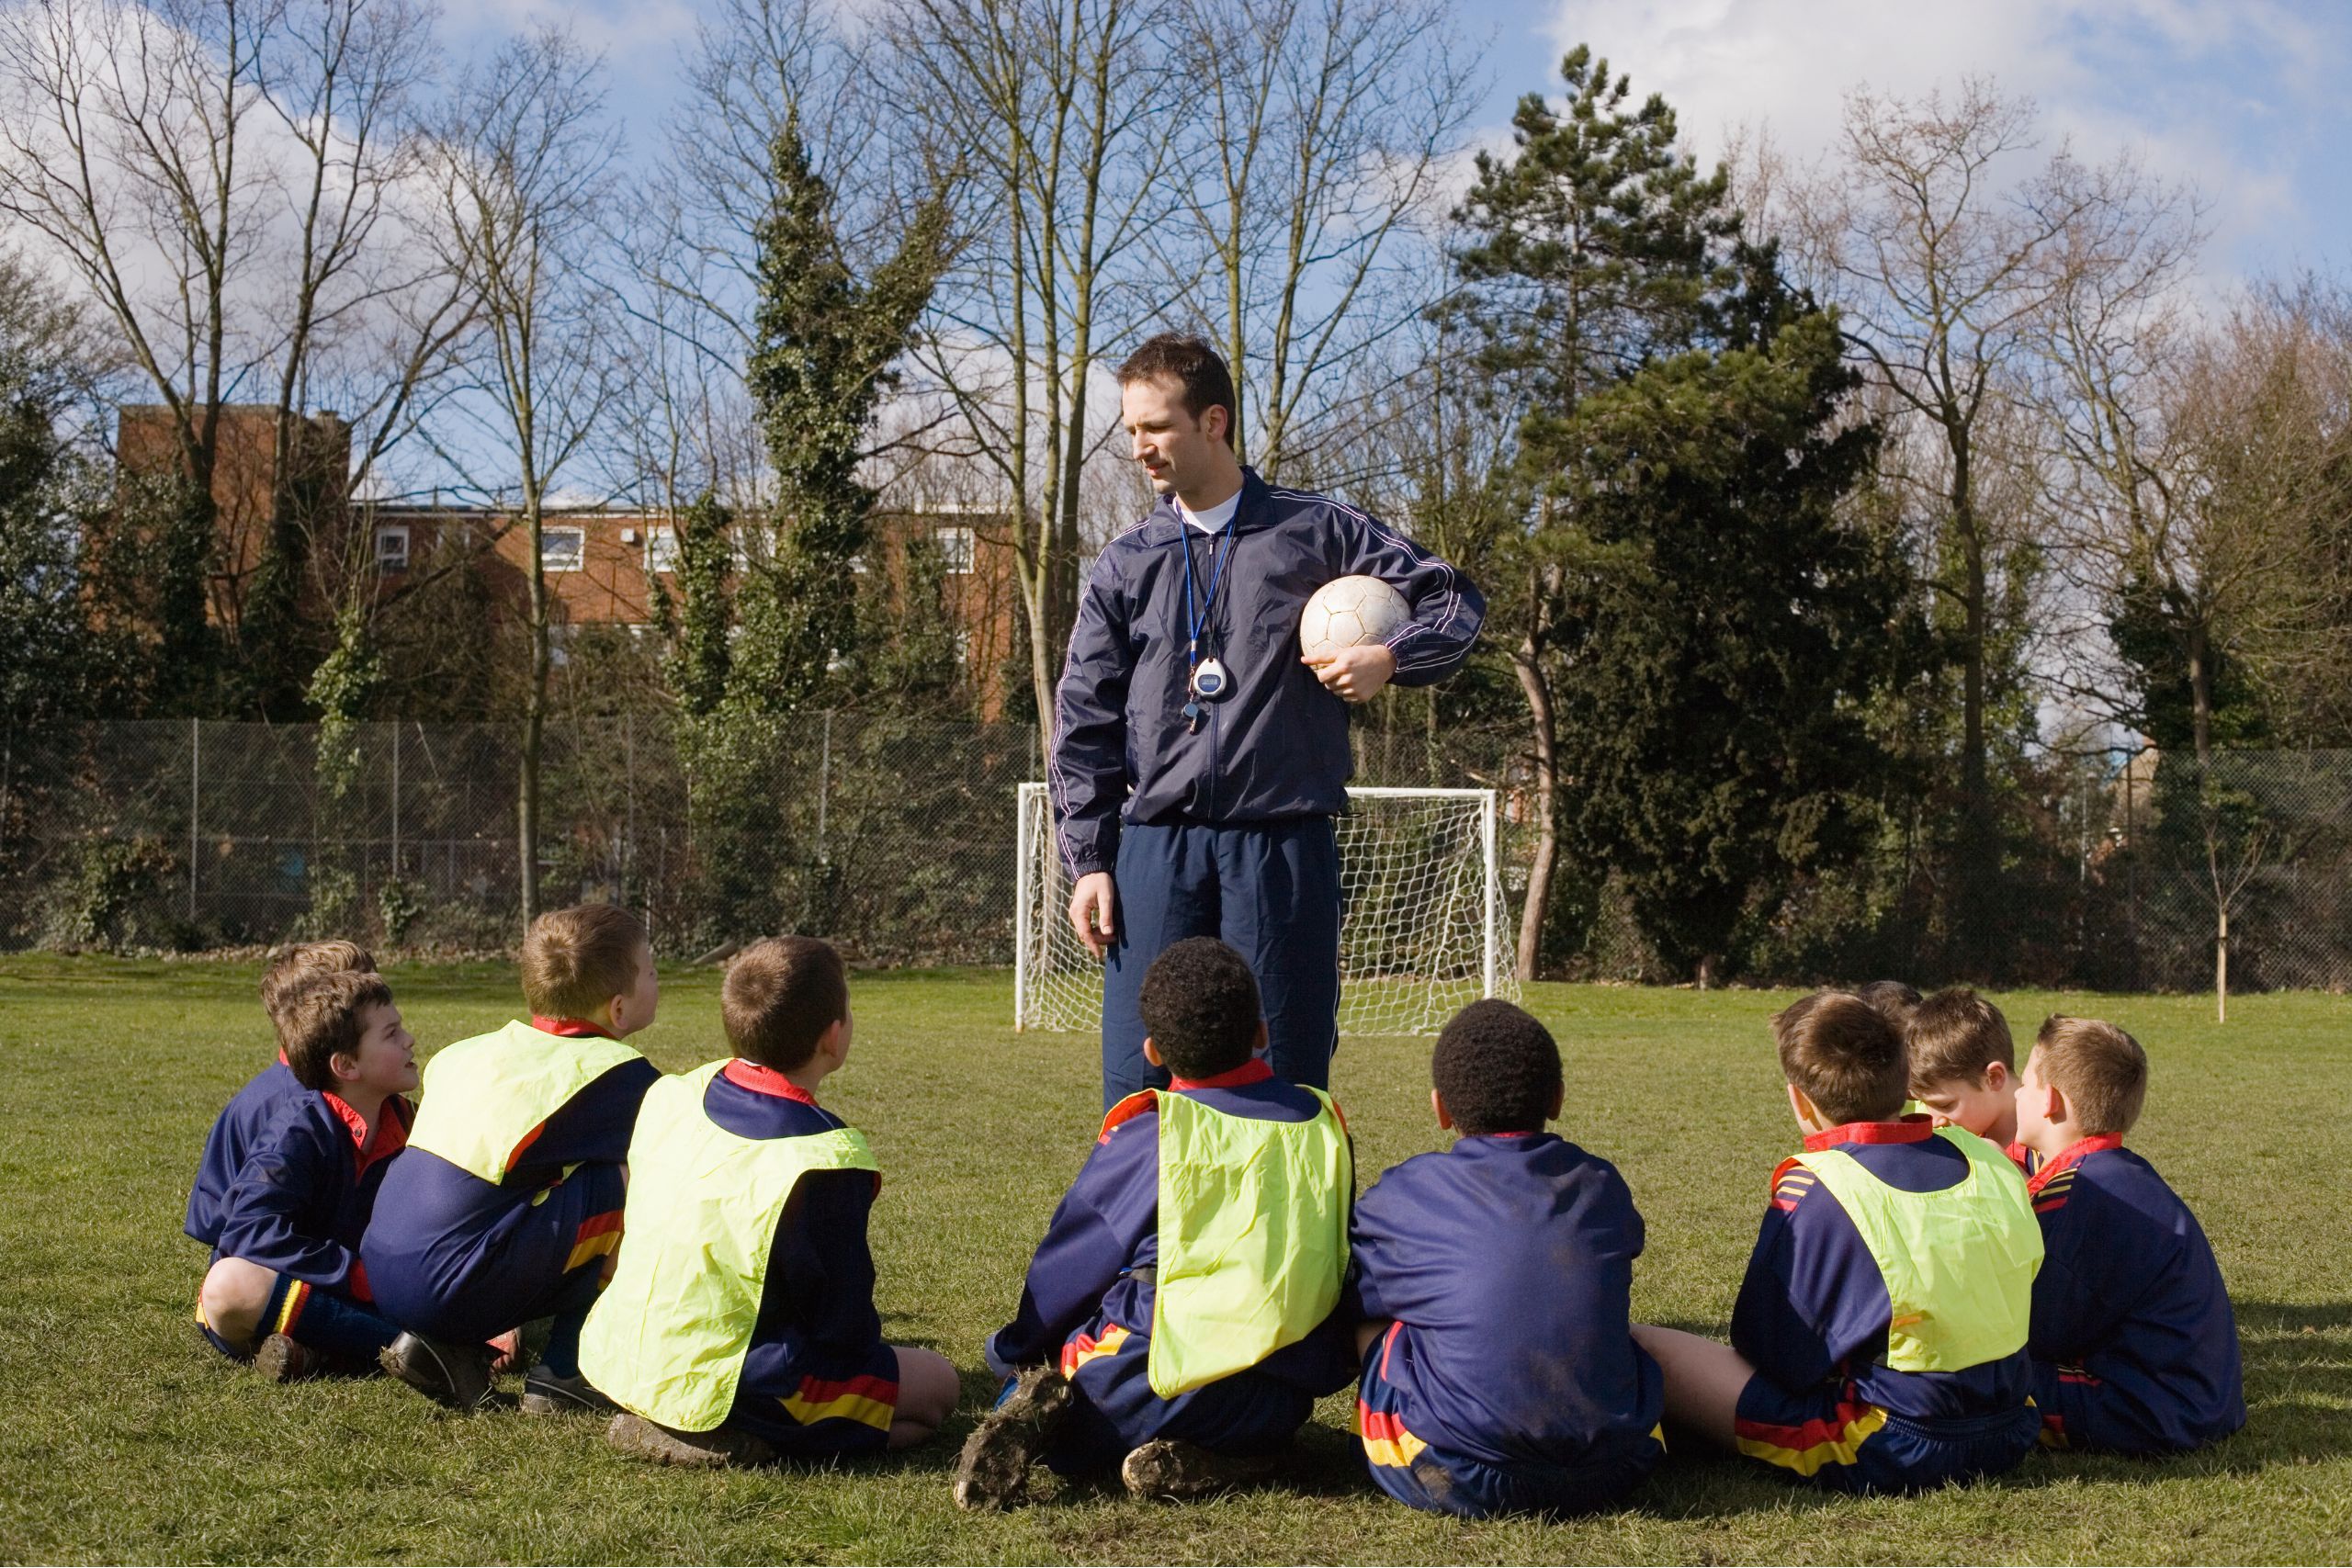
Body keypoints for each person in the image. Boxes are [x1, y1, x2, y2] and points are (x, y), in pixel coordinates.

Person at [1053, 333, 1485, 1108]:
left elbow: (1453, 599)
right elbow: (1084, 720)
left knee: (1286, 1069)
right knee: (1141, 1078)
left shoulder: (1319, 530)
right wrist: (1088, 857)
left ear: (1213, 421)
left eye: (1156, 427)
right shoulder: (1126, 562)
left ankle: (1287, 1228)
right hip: (1157, 846)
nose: (1140, 448)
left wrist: (1393, 656)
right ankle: (1146, 1231)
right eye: (1130, 431)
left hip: (1283, 846)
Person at [954, 937, 1356, 1507]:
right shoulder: (1324, 1121)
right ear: (1262, 1034)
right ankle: (1233, 1461)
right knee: (1263, 1415)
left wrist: (1016, 1348)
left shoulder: (1156, 1131)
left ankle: (1032, 1414)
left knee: (1075, 1384)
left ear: (1153, 1052)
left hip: (1146, 1386)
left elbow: (1073, 1261)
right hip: (1278, 1391)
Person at [1633, 990, 2044, 1495]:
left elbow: (1775, 1353)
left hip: (1896, 1442)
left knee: (1649, 1346)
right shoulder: (1990, 1158)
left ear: (1799, 1100)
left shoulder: (1823, 1185)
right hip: (2013, 1424)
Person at [581, 937, 959, 1467]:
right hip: (738, 1380)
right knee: (938, 1387)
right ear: (833, 1036)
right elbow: (841, 1323)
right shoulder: (822, 1156)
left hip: (628, 1357)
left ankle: (676, 1418)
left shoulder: (674, 1091)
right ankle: (740, 1437)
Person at [1347, 999, 1665, 1517]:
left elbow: (1355, 1297)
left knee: (1384, 1328)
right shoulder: (1602, 1184)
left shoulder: (1407, 1191)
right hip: (1617, 1467)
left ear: (1439, 1107)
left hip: (1458, 1471)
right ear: (1558, 1098)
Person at [363, 904, 662, 1413]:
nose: (660, 979)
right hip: (452, 1279)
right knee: (642, 1181)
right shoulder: (618, 1073)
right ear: (617, 1008)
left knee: (553, 1200)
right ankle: (568, 1371)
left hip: (384, 1271)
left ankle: (446, 1346)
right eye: (653, 971)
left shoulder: (463, 1051)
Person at [2011, 1015, 2245, 1454]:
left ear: (2049, 1100)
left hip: (2153, 1410)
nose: (2016, 1095)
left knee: (1975, 1382)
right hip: (2198, 1401)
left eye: (2024, 1084)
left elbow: (2035, 1330)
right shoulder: (2115, 1172)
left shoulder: (2082, 1194)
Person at [195, 969, 413, 1381]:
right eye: (391, 1033)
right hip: (288, 1290)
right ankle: (417, 1349)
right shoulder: (296, 1132)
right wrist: (354, 1274)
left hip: (358, 1294)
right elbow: (248, 1235)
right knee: (227, 1285)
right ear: (346, 1065)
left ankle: (320, 1354)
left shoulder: (405, 1120)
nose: (409, 1040)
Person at [186, 941, 376, 1251]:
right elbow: (219, 1220)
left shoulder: (358, 1096)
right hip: (276, 1269)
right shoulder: (283, 1109)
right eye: (363, 992)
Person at [1905, 987, 2020, 1147]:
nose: (1935, 1122)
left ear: (1994, 1077)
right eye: (1925, 1104)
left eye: (1945, 1105)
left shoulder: (2049, 1148)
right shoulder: (1968, 1137)